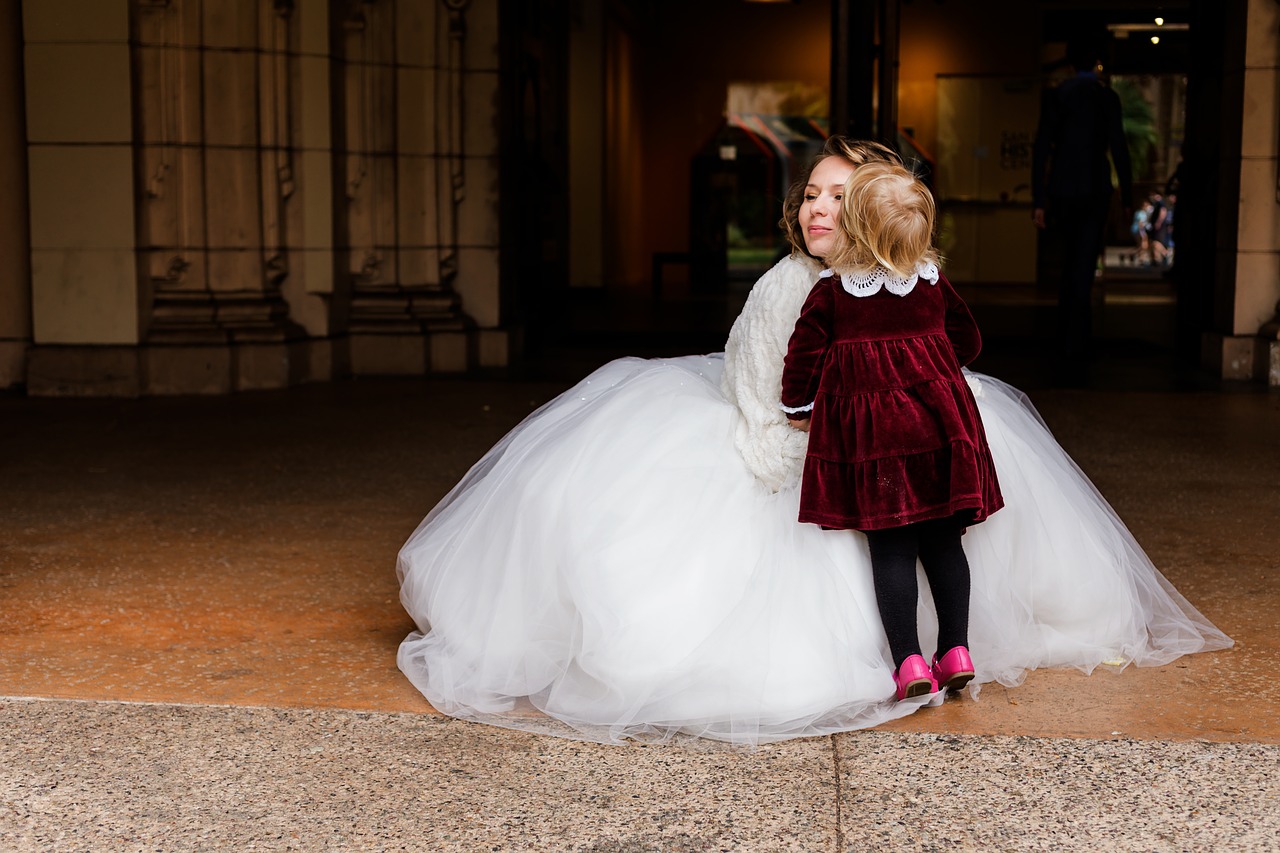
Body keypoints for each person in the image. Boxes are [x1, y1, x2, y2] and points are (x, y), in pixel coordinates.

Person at [396, 136, 1230, 746]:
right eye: (810, 196)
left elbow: (957, 339)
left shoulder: (897, 282)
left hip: (898, 429)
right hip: (807, 441)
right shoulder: (791, 288)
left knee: (955, 516)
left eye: (840, 194)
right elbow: (772, 403)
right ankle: (914, 650)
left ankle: (953, 642)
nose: (819, 208)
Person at [779, 161, 1002, 701]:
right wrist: (932, 367)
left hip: (878, 442)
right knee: (945, 545)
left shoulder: (832, 293)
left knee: (893, 550)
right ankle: (956, 649)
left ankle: (908, 663)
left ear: (853, 228)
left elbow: (802, 359)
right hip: (941, 431)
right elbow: (968, 341)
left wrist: (799, 405)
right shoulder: (931, 282)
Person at [1032, 33, 1133, 370]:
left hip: (1062, 190)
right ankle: (1078, 340)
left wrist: (1039, 199)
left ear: (1072, 63)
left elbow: (1042, 147)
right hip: (1094, 190)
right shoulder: (1107, 98)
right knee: (1084, 264)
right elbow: (1118, 147)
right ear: (1097, 63)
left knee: (1066, 263)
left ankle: (1065, 337)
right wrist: (1128, 195)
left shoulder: (1058, 96)